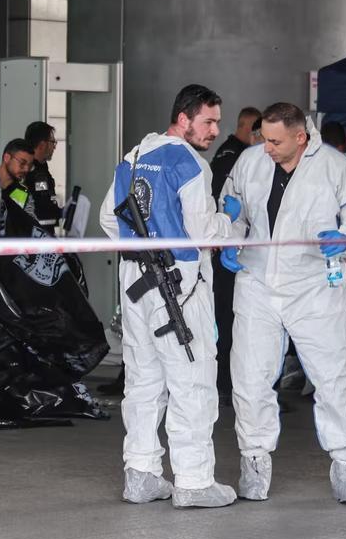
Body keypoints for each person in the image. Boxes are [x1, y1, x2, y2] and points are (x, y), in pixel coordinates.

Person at [99, 83, 243, 509]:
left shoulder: (133, 157)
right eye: (208, 121)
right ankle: (195, 480)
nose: (215, 130)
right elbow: (201, 230)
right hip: (179, 284)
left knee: (143, 380)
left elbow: (110, 217)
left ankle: (140, 473)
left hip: (135, 282)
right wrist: (229, 222)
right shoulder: (190, 163)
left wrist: (138, 245)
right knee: (192, 379)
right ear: (183, 118)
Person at [219, 103, 346, 504]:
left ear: (300, 137)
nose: (264, 146)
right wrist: (230, 237)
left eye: (274, 140)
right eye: (262, 137)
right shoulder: (250, 162)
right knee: (250, 378)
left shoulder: (336, 167)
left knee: (333, 376)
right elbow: (230, 210)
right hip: (257, 281)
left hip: (315, 284)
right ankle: (253, 460)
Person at [206, 105, 262, 405]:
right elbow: (225, 202)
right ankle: (225, 382)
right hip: (227, 248)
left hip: (238, 249)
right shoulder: (233, 157)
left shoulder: (240, 155)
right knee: (227, 320)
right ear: (249, 129)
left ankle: (232, 383)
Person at [23, 121, 61, 234]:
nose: (54, 147)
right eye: (52, 142)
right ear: (42, 144)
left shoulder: (41, 168)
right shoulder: (33, 172)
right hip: (35, 235)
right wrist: (59, 212)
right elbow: (41, 203)